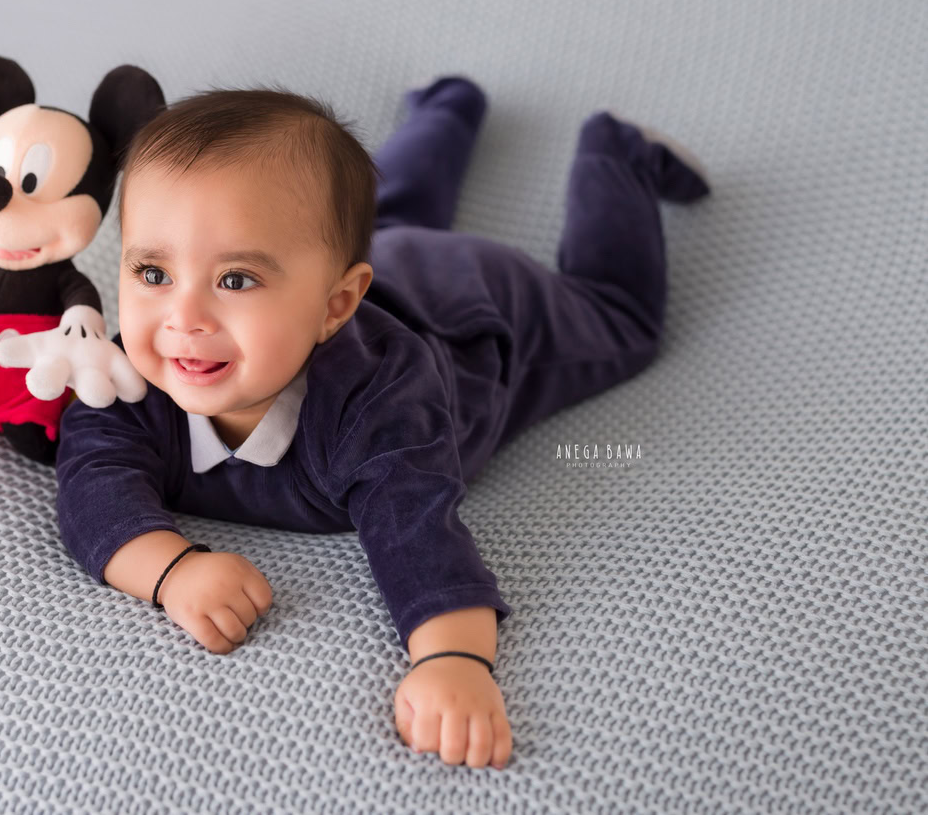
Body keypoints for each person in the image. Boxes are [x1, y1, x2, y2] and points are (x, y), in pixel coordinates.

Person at [52, 76, 711, 770]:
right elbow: (91, 486)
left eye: (236, 279)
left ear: (337, 307)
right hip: (365, 267)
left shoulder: (380, 408)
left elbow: (419, 537)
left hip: (472, 311)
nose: (183, 318)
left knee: (621, 320)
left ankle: (618, 156)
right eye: (152, 272)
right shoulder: (131, 374)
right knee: (372, 218)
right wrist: (172, 571)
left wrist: (453, 660)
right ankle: (446, 107)